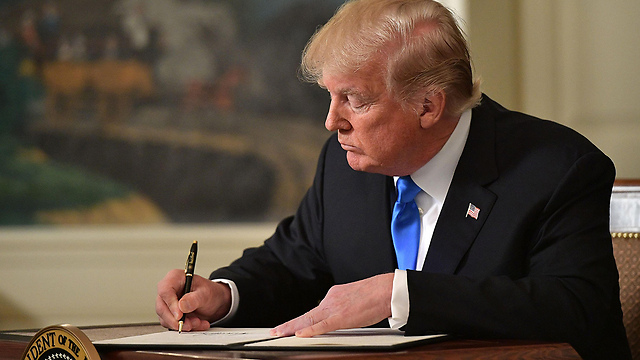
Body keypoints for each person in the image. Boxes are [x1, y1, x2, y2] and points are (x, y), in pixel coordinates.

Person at [156, 0, 631, 358]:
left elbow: (575, 307)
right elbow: (292, 263)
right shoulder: (345, 163)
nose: (330, 122)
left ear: (428, 105)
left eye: (354, 100)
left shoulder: (557, 166)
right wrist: (222, 295)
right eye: (330, 96)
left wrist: (400, 293)